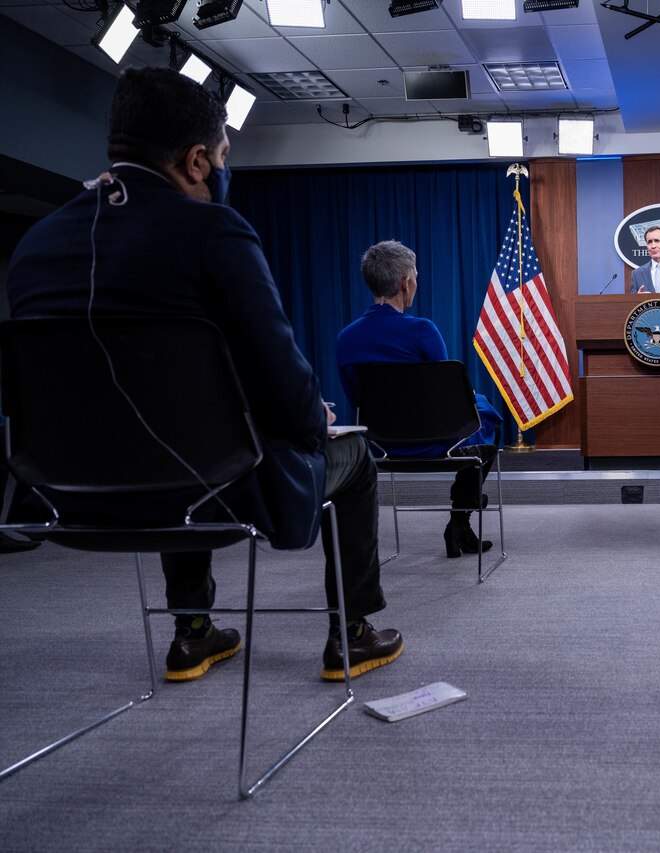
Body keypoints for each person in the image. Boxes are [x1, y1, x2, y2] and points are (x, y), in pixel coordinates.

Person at [6, 67, 403, 682]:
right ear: (196, 162)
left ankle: (192, 631)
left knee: (174, 435)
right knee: (354, 461)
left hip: (62, 494)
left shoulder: (34, 246)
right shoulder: (212, 230)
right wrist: (313, 420)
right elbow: (281, 374)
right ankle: (351, 634)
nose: (221, 168)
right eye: (221, 155)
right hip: (209, 489)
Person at [335, 240, 502, 557]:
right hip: (437, 442)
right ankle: (461, 516)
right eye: (415, 276)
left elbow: (355, 399)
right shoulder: (423, 330)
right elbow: (444, 400)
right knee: (487, 414)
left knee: (478, 407)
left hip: (379, 444)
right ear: (405, 283)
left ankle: (462, 524)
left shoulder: (346, 338)